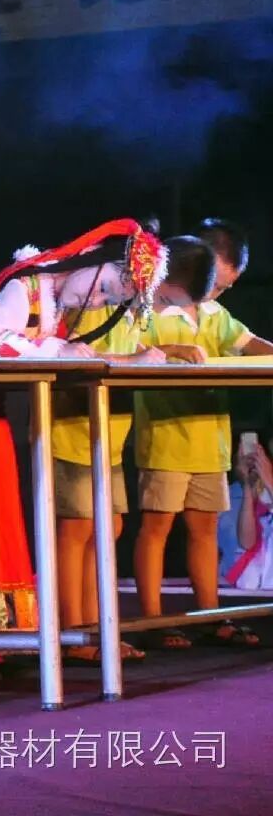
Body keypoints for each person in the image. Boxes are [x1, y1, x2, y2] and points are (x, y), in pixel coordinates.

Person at [0, 219, 181, 656]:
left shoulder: (54, 303)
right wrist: (57, 351)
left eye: (109, 299)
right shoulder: (25, 286)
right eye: (105, 288)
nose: (98, 301)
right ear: (91, 258)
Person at [49, 236, 215, 663]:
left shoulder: (132, 305)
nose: (161, 307)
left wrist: (165, 351)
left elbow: (124, 350)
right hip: (73, 429)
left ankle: (95, 630)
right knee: (76, 530)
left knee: (109, 528)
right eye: (166, 299)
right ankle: (73, 634)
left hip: (108, 434)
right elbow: (76, 356)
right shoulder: (100, 294)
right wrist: (137, 362)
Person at [134, 219, 273, 649]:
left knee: (205, 527)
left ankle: (210, 616)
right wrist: (172, 351)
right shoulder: (152, 308)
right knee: (157, 527)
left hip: (210, 441)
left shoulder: (214, 315)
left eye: (224, 289)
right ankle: (152, 621)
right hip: (166, 437)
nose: (216, 294)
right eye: (215, 284)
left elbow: (248, 342)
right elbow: (129, 350)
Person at [227, 428, 273, 590]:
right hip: (255, 588)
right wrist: (247, 485)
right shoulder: (254, 494)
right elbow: (247, 542)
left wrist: (269, 481)